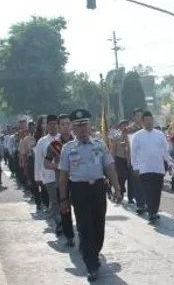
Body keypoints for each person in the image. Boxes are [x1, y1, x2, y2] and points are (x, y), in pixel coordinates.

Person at [58, 109, 122, 282]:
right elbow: (63, 176)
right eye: (78, 126)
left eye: (85, 124)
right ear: (73, 128)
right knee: (85, 227)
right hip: (79, 190)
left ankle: (93, 252)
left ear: (89, 125)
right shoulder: (67, 148)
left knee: (98, 226)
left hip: (98, 189)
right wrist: (63, 199)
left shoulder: (100, 145)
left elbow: (110, 168)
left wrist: (117, 188)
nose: (82, 128)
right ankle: (91, 264)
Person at [131, 111, 171, 222]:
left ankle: (154, 210)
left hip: (158, 168)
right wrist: (135, 167)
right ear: (143, 122)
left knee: (157, 191)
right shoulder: (137, 136)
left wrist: (170, 163)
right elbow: (133, 153)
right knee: (148, 190)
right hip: (144, 169)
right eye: (146, 120)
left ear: (153, 120)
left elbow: (165, 150)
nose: (149, 122)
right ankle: (151, 212)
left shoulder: (160, 134)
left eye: (150, 120)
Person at [44, 114, 76, 246]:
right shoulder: (54, 145)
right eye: (62, 124)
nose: (66, 126)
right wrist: (58, 166)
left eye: (68, 123)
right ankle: (69, 236)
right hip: (62, 182)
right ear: (58, 126)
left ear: (71, 125)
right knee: (65, 209)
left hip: (78, 181)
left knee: (81, 209)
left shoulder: (78, 141)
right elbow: (46, 163)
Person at [35, 115, 60, 229]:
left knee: (64, 201)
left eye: (55, 124)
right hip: (49, 177)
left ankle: (64, 219)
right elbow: (39, 161)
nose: (53, 126)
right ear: (47, 126)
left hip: (64, 176)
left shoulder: (64, 139)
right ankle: (59, 223)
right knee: (54, 201)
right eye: (50, 124)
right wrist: (38, 177)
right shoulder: (42, 141)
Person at [110, 120, 132, 203]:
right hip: (119, 159)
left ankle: (131, 197)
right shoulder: (116, 136)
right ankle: (120, 192)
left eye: (127, 125)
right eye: (123, 125)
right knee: (121, 177)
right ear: (120, 127)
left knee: (130, 178)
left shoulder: (131, 135)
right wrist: (112, 160)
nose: (125, 126)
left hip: (129, 158)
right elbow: (113, 150)